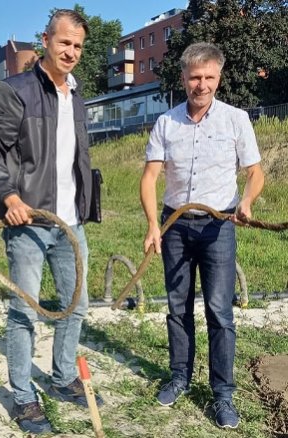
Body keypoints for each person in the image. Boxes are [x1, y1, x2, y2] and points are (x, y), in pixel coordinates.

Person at [0, 9, 101, 434]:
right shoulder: (16, 91)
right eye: (64, 42)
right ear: (46, 40)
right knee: (24, 311)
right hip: (28, 222)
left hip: (70, 224)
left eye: (78, 46)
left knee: (76, 305)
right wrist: (10, 197)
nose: (71, 52)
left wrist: (84, 205)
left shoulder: (78, 95)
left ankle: (64, 377)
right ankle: (23, 396)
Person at [140, 41, 264, 429]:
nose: (202, 84)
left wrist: (246, 202)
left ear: (219, 77)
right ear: (183, 78)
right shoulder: (167, 122)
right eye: (195, 77)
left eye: (209, 77)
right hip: (175, 226)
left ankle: (222, 394)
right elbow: (149, 178)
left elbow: (255, 173)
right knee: (178, 309)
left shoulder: (236, 119)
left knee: (219, 311)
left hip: (218, 227)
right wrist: (151, 226)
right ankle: (179, 377)